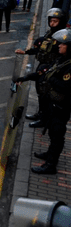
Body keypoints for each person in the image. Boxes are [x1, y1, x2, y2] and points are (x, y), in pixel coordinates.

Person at [16, 30, 71, 175]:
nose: (59, 46)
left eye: (63, 44)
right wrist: (25, 78)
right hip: (52, 104)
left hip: (61, 107)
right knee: (53, 134)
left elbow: (65, 86)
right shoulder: (61, 60)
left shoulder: (69, 67)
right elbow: (45, 71)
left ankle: (50, 165)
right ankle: (50, 154)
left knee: (57, 135)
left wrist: (50, 78)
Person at [16, 8, 68, 128]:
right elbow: (41, 48)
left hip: (52, 68)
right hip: (44, 64)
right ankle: (40, 114)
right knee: (40, 92)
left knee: (46, 94)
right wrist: (26, 52)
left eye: (55, 21)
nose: (52, 24)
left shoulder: (62, 37)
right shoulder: (50, 34)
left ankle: (44, 119)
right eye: (51, 21)